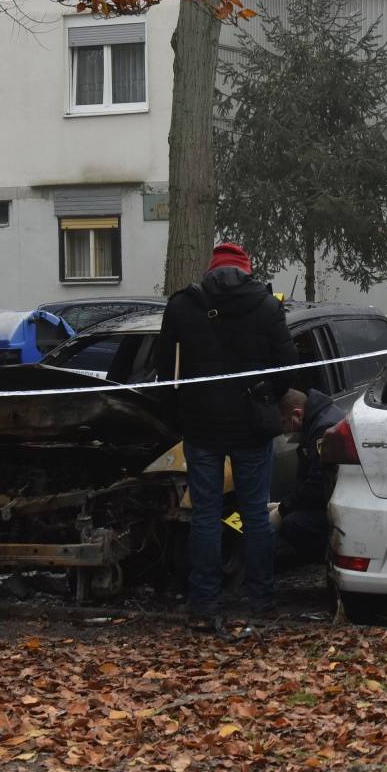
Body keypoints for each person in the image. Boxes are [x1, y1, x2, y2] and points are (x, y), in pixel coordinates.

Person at [157, 241, 298, 632]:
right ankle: (261, 601)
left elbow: (163, 368)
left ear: (211, 269)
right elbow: (289, 370)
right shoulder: (267, 306)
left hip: (201, 427)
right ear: (246, 269)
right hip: (252, 427)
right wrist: (265, 394)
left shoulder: (183, 305)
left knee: (204, 515)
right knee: (254, 514)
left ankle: (203, 602)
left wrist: (183, 408)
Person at [274, 388, 345, 563]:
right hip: (334, 498)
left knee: (293, 523)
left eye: (284, 423)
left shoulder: (322, 429)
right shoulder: (317, 420)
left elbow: (318, 484)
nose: (284, 432)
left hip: (339, 506)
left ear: (297, 414)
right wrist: (284, 503)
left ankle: (326, 558)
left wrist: (282, 510)